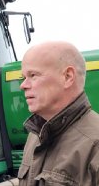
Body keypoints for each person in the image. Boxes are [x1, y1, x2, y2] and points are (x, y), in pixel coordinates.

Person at [18, 41, 99, 185]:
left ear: (67, 77)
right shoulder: (35, 136)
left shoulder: (95, 145)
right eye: (23, 77)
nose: (23, 85)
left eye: (33, 75)